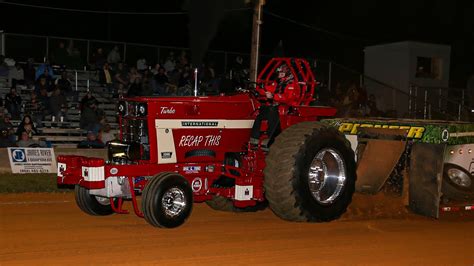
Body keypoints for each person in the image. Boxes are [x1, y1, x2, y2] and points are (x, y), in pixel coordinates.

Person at [250, 64, 294, 147]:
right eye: (279, 72)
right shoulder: (278, 82)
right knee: (261, 110)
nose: (279, 74)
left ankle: (271, 138)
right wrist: (258, 91)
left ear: (287, 72)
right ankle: (254, 137)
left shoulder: (291, 84)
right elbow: (268, 88)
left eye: (281, 72)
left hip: (287, 107)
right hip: (277, 105)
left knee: (272, 111)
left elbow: (288, 98)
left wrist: (274, 96)